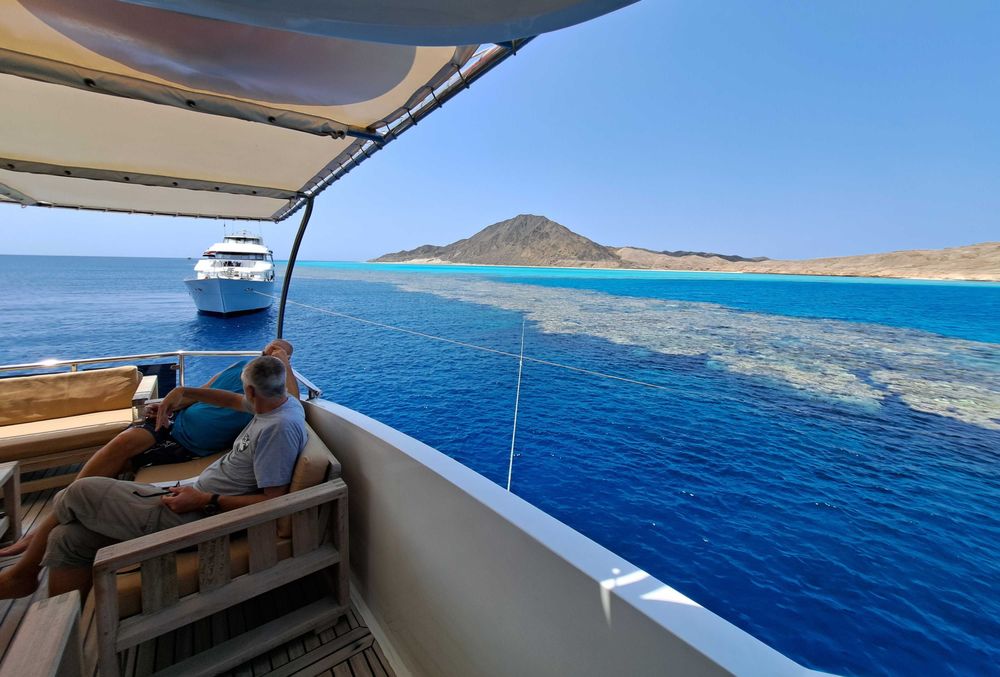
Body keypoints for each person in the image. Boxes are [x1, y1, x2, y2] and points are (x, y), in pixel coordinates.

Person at [0, 354, 307, 600]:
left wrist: (206, 498)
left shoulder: (275, 430)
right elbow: (229, 400)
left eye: (244, 391)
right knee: (67, 540)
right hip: (191, 497)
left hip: (198, 516)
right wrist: (185, 392)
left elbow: (274, 502)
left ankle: (20, 576)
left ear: (251, 391)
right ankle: (63, 636)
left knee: (78, 492)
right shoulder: (278, 403)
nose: (241, 397)